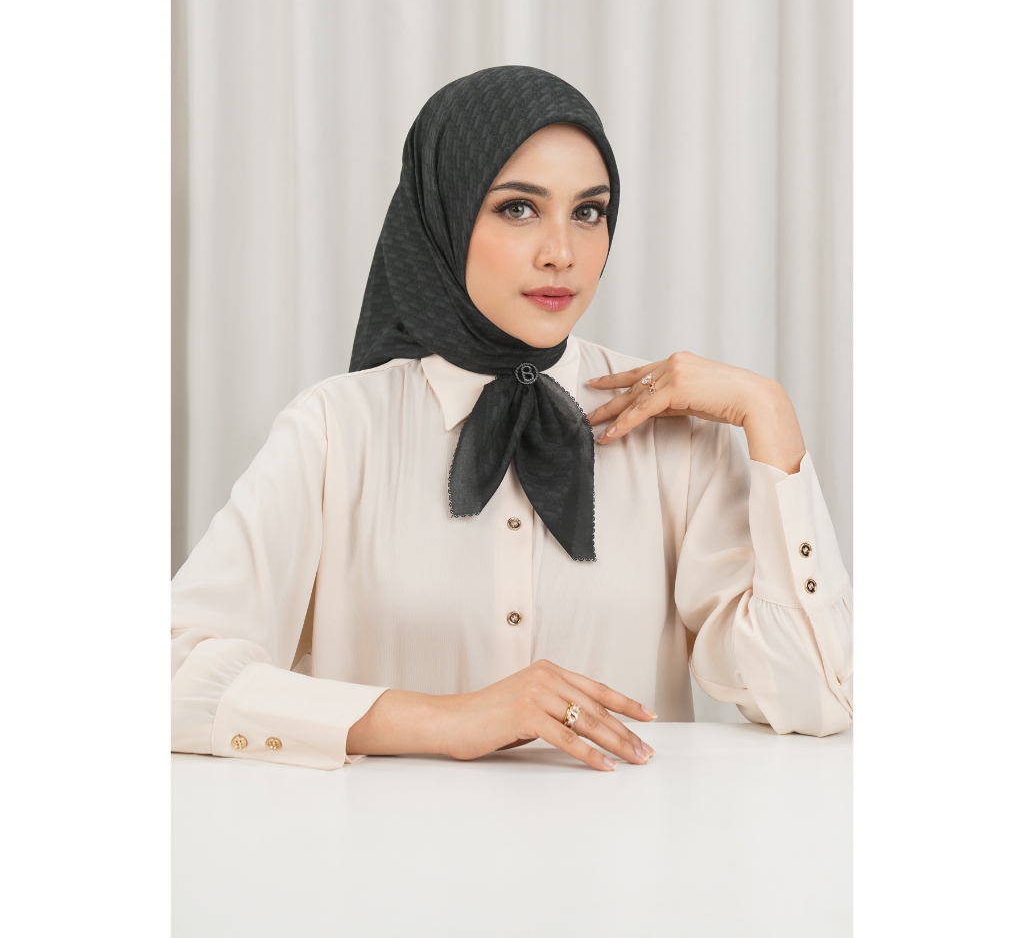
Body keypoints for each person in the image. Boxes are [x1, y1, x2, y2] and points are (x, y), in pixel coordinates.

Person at [171, 66, 852, 772]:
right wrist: (444, 719)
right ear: (446, 212)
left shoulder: (674, 433)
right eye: (519, 208)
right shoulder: (335, 431)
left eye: (588, 212)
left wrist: (769, 412)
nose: (561, 253)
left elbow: (815, 700)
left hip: (626, 845)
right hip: (390, 845)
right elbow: (171, 671)